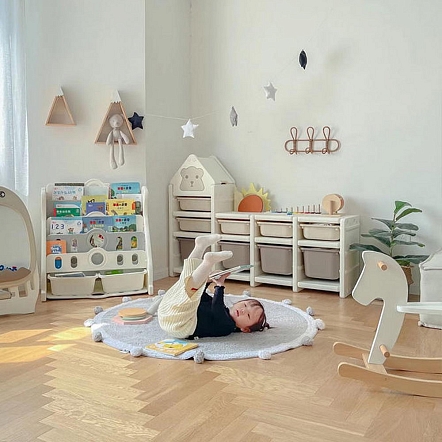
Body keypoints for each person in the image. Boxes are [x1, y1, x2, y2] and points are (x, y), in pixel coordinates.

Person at [150, 234, 269, 339]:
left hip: (181, 325)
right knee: (186, 280)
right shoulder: (222, 308)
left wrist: (219, 286)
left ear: (245, 329)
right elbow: (202, 297)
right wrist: (208, 281)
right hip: (169, 312)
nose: (243, 310)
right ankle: (200, 246)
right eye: (244, 305)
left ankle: (208, 262)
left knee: (189, 291)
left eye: (248, 315)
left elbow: (217, 309)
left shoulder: (227, 327)